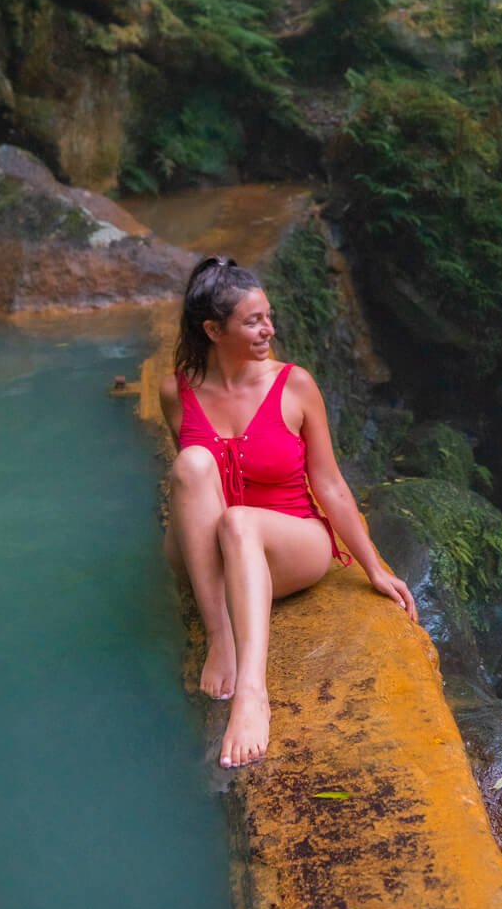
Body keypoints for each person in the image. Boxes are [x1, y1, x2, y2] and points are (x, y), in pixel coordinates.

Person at [158, 254, 418, 768]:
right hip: (216, 558)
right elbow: (197, 491)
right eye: (253, 321)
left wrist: (374, 567)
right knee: (190, 463)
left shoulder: (294, 384)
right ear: (212, 329)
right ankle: (221, 634)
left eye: (268, 316)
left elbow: (330, 484)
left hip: (291, 541)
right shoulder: (176, 391)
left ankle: (253, 696)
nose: (268, 329)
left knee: (239, 520)